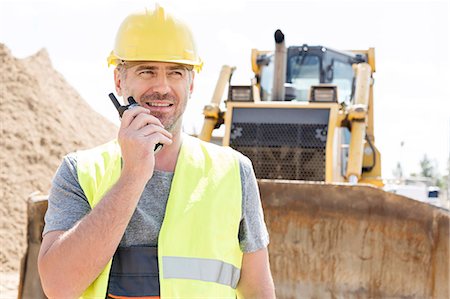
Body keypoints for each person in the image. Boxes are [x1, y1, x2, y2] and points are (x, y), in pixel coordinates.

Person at [38, 4, 275, 299]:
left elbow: (257, 290)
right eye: (146, 71)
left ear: (191, 83)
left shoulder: (234, 172)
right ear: (119, 81)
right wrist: (134, 175)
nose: (162, 87)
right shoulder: (81, 171)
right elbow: (58, 286)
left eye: (175, 72)